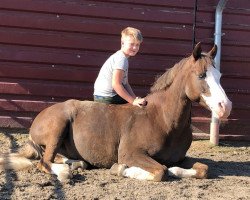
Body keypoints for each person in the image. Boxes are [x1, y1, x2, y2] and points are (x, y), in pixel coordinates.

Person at [93, 27, 147, 107]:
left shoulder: (122, 57)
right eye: (132, 44)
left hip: (103, 95)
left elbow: (125, 83)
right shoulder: (121, 59)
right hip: (107, 97)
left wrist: (134, 98)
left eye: (137, 45)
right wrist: (133, 102)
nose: (135, 48)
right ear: (122, 43)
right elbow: (116, 84)